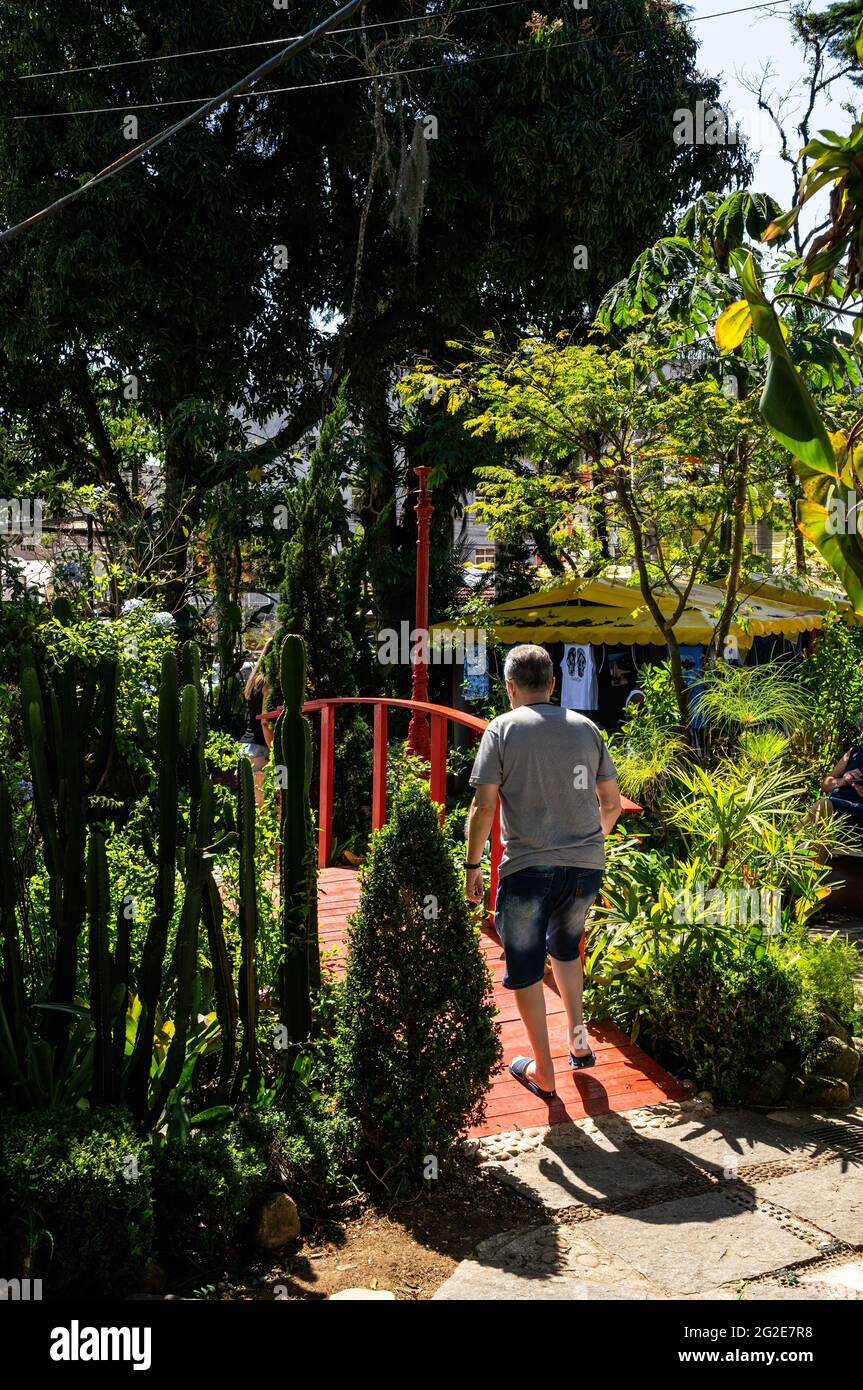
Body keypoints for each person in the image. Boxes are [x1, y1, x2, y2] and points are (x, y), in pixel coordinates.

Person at [465, 643, 621, 1100]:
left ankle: (545, 1072)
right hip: (584, 868)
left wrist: (474, 865)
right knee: (567, 947)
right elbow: (610, 803)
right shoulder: (586, 728)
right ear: (553, 685)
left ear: (510, 686)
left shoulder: (502, 729)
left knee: (526, 967)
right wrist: (589, 842)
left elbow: (484, 803)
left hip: (527, 869)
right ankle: (579, 1041)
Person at [240, 638, 274, 809]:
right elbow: (265, 721)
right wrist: (275, 750)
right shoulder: (268, 683)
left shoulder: (255, 679)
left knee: (254, 807)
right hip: (263, 749)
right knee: (266, 807)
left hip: (249, 748)